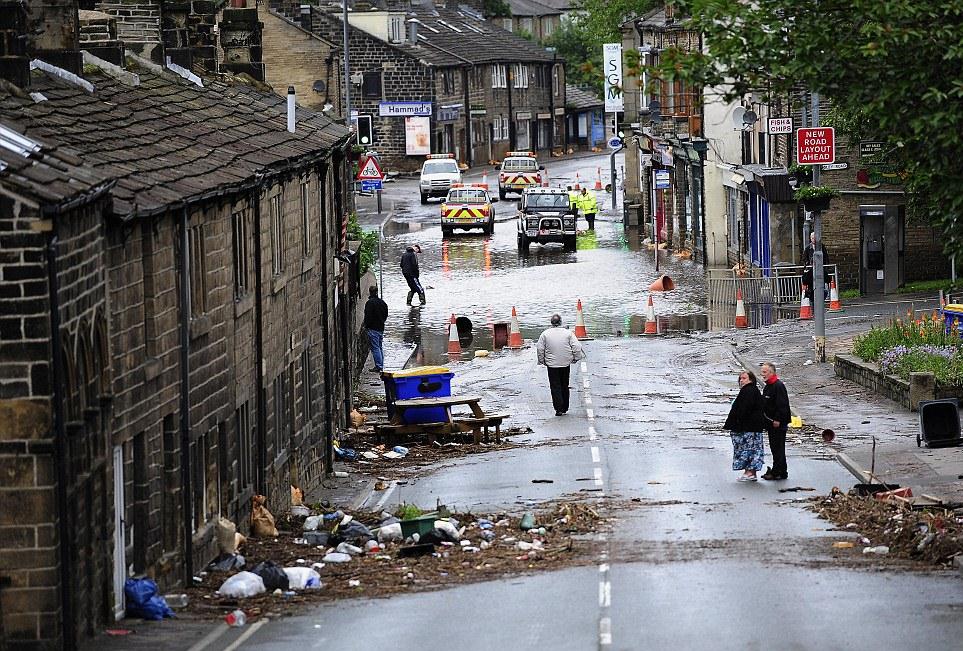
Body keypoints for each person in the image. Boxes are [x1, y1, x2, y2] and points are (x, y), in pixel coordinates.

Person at [536, 314, 585, 416]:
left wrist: (542, 360)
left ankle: (558, 408)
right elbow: (576, 346)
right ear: (561, 322)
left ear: (551, 323)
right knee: (564, 385)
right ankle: (565, 407)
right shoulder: (568, 333)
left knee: (555, 386)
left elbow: (540, 348)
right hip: (565, 363)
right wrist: (576, 357)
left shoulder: (545, 334)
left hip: (552, 365)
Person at [723, 370, 768, 481]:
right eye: (740, 379)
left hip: (748, 428)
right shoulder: (751, 390)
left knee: (748, 449)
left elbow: (744, 410)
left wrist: (737, 422)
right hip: (751, 427)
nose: (742, 381)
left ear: (751, 379)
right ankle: (750, 472)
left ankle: (749, 472)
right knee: (751, 450)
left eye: (744, 378)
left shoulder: (749, 391)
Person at [760, 362, 791, 480]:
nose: (762, 374)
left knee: (778, 448)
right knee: (775, 448)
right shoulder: (768, 386)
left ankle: (777, 471)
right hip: (771, 422)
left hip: (777, 423)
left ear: (771, 373)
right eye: (762, 372)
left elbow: (782, 405)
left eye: (764, 372)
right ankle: (781, 470)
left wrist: (778, 419)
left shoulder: (778, 386)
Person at [363, 285, 388, 372]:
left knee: (375, 348)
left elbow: (368, 316)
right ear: (377, 292)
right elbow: (385, 314)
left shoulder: (369, 303)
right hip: (381, 327)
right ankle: (380, 364)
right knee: (379, 347)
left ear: (370, 292)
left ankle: (379, 366)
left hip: (373, 328)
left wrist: (367, 325)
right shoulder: (382, 302)